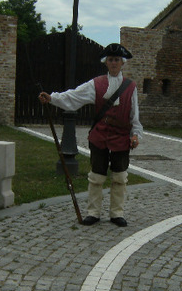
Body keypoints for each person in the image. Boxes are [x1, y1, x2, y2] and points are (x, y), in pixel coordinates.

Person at [39, 43, 143, 227]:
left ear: (122, 63)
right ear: (106, 62)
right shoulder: (96, 84)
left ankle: (116, 213)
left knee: (119, 177)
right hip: (100, 136)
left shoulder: (131, 87)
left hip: (121, 137)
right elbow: (74, 97)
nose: (113, 63)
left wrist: (135, 134)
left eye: (117, 60)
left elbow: (134, 114)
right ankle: (93, 212)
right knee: (96, 176)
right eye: (110, 59)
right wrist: (53, 98)